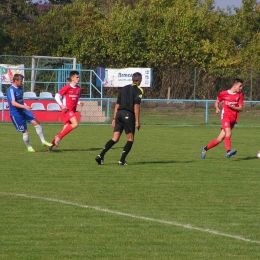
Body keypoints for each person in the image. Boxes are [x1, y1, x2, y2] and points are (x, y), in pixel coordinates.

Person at [95, 72, 144, 166]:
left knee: (115, 138)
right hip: (128, 115)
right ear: (139, 80)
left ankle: (100, 156)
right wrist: (137, 121)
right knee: (130, 139)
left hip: (119, 114)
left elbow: (118, 104)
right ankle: (121, 161)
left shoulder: (124, 88)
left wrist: (114, 118)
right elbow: (136, 106)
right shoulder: (138, 90)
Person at [6, 74, 52, 152]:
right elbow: (13, 103)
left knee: (37, 123)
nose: (22, 82)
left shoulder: (19, 88)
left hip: (23, 111)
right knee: (25, 131)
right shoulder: (11, 89)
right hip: (16, 113)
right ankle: (29, 147)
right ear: (16, 80)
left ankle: (43, 141)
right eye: (21, 81)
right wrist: (24, 106)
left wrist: (9, 103)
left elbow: (14, 100)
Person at [201, 78, 244, 159]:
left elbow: (241, 109)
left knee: (219, 139)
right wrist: (217, 108)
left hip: (233, 119)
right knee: (229, 133)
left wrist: (232, 106)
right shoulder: (223, 93)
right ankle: (228, 152)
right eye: (240, 86)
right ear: (235, 86)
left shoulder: (240, 95)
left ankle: (205, 148)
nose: (241, 88)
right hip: (225, 117)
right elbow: (217, 101)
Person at [46, 70, 83, 150]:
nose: (78, 78)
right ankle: (58, 137)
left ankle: (50, 145)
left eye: (78, 77)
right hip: (67, 110)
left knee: (64, 130)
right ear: (72, 78)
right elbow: (56, 96)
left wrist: (79, 102)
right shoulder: (67, 87)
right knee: (75, 124)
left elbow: (76, 98)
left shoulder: (78, 89)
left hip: (72, 110)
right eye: (77, 77)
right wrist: (61, 105)